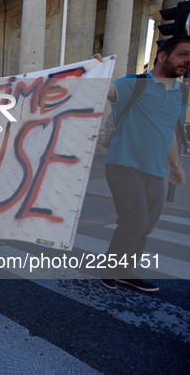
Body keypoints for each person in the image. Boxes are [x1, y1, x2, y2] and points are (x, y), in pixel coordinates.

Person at [94, 35, 189, 292]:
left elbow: (170, 131)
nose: (187, 61)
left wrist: (177, 165)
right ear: (162, 56)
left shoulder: (181, 93)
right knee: (134, 220)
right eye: (182, 54)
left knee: (146, 225)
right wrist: (98, 72)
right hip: (124, 165)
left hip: (156, 170)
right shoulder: (136, 83)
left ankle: (124, 270)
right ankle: (109, 266)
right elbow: (110, 91)